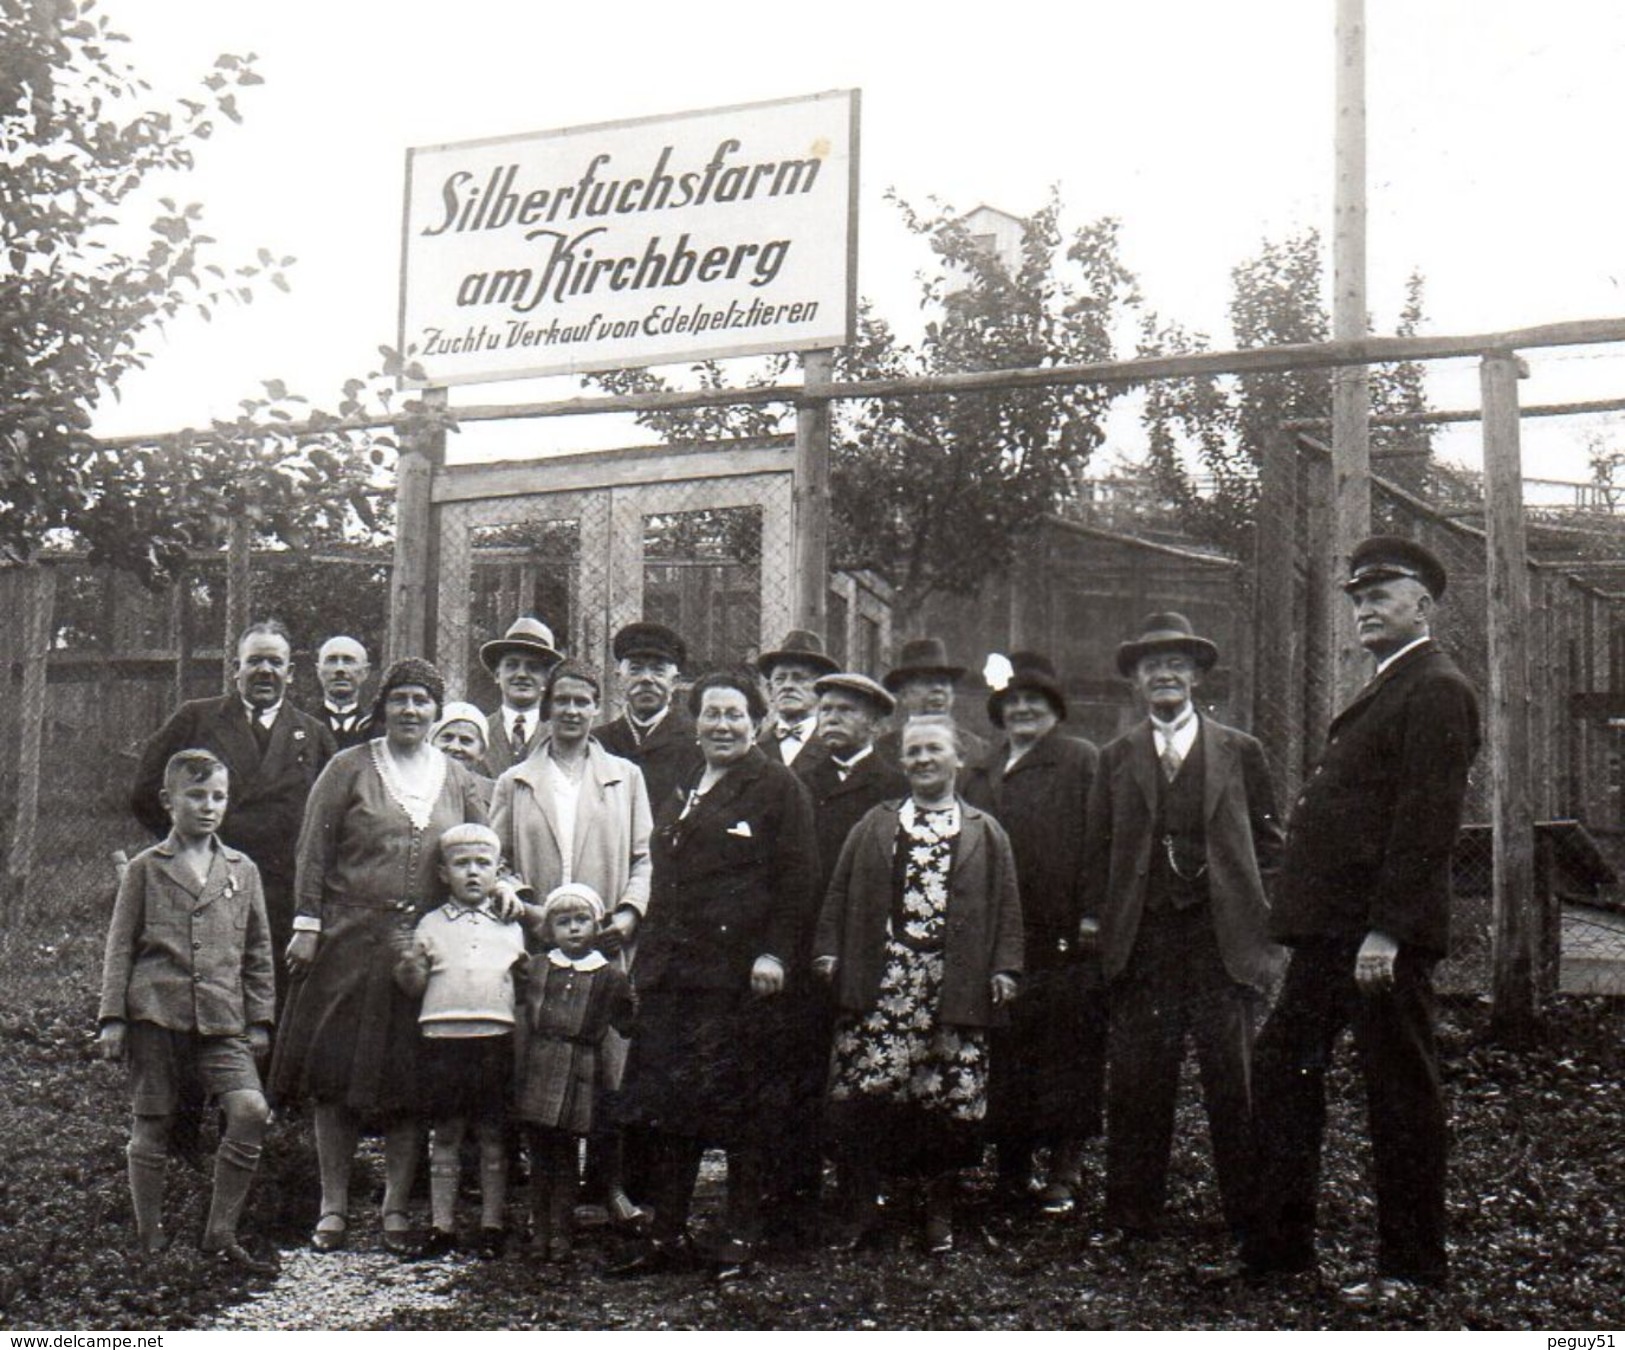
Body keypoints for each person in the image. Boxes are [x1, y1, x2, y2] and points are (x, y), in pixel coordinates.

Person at [1244, 537, 1481, 1309]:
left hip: (1375, 940)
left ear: (1425, 604)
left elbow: (1425, 823)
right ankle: (1277, 1253)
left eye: (1383, 593)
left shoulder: (1435, 688)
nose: (1365, 607)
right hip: (1331, 934)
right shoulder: (1388, 686)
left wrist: (1389, 931)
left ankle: (1411, 1268)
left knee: (1398, 1094)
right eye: (1356, 596)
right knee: (1283, 1071)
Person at [269, 657, 499, 1257]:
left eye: (423, 701)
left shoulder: (457, 778)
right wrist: (307, 922)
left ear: (436, 710)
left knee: (408, 1080)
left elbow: (482, 851)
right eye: (400, 699)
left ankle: (396, 1206)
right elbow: (312, 848)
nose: (410, 711)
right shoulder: (348, 767)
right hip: (348, 942)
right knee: (336, 1079)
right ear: (383, 704)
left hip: (422, 953)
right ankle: (333, 1206)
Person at [1080, 615, 1283, 1254]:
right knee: (1140, 1078)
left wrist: (1268, 923)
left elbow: (1270, 843)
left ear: (1196, 676)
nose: (1163, 674)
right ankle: (1132, 1217)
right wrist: (1097, 919)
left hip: (1221, 938)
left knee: (1234, 1077)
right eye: (1150, 665)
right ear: (1136, 681)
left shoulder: (1240, 750)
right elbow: (1098, 848)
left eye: (1176, 664)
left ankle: (1250, 1217)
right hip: (1145, 939)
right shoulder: (1115, 758)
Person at [611, 669, 819, 1281]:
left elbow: (799, 881)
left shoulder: (777, 787)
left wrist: (775, 954)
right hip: (676, 975)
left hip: (738, 979)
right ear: (694, 720)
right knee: (673, 1107)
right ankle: (666, 1233)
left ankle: (738, 1236)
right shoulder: (685, 783)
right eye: (711, 713)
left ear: (755, 723)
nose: (721, 725)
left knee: (741, 1109)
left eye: (733, 714)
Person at [814, 713, 1023, 1254]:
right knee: (866, 1090)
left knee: (947, 1096)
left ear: (959, 759)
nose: (923, 760)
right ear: (901, 761)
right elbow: (838, 891)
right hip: (883, 978)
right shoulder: (876, 823)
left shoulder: (983, 830)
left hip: (953, 983)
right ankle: (861, 1206)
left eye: (934, 750)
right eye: (913, 752)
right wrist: (829, 949)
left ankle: (938, 1210)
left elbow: (1007, 907)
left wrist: (1004, 967)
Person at [97, 749, 278, 1274]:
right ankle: (148, 1242)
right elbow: (119, 947)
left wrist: (260, 1018)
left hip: (222, 1017)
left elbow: (258, 949)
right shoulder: (146, 869)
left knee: (250, 1110)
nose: (208, 807)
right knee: (152, 1121)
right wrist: (113, 1017)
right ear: (167, 802)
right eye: (195, 796)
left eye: (218, 796)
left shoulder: (242, 870)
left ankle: (220, 1234)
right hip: (156, 1013)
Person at [491, 659, 653, 1222]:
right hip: (541, 948)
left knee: (607, 1066)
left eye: (583, 701)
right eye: (562, 700)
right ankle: (545, 1198)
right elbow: (499, 861)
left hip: (605, 945)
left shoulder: (624, 776)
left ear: (596, 707)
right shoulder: (516, 782)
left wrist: (630, 912)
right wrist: (524, 903)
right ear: (546, 705)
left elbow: (642, 857)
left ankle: (605, 1186)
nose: (572, 711)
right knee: (542, 1065)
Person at [962, 652, 1104, 1218]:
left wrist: (1093, 911)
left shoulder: (1079, 761)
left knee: (1068, 1048)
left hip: (1064, 930)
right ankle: (1012, 1169)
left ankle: (1064, 1169)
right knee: (1009, 1048)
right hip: (1001, 930)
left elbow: (1099, 840)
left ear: (1054, 710)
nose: (1022, 710)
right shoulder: (983, 769)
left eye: (1034, 702)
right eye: (1012, 702)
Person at [768, 670, 907, 1241]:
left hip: (868, 945)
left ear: (874, 723)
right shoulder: (798, 777)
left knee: (862, 1069)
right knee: (799, 1066)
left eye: (845, 712)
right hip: (803, 946)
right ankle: (794, 1196)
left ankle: (859, 1198)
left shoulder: (891, 785)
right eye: (824, 711)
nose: (830, 721)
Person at [131, 620, 337, 1001]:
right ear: (236, 668)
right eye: (254, 661)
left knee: (269, 992)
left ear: (290, 674)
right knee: (206, 987)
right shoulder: (196, 719)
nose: (264, 671)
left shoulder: (313, 733)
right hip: (206, 882)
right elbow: (145, 792)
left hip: (281, 889)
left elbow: (334, 817)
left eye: (275, 662)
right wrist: (190, 850)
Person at [394, 823, 527, 1261]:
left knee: (493, 1133)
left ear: (498, 871)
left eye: (483, 864)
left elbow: (524, 982)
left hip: (495, 1037)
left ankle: (491, 1225)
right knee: (446, 1131)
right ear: (443, 871)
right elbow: (412, 985)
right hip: (442, 1037)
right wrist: (406, 963)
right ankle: (442, 1226)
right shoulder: (429, 924)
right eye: (462, 863)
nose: (473, 873)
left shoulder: (511, 922)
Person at [515, 882, 637, 1263]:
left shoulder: (608, 976)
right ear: (549, 929)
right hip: (539, 1062)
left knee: (567, 1153)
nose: (573, 929)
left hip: (582, 1067)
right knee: (539, 1151)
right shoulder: (537, 967)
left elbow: (628, 1022)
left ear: (596, 925)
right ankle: (540, 1229)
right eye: (563, 921)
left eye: (582, 920)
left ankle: (562, 1234)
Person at [596, 621, 701, 820]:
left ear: (675, 682)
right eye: (636, 670)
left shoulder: (694, 741)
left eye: (658, 670)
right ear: (619, 679)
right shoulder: (599, 743)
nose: (646, 679)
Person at [874, 637, 988, 770]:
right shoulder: (883, 749)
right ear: (905, 695)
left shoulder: (976, 748)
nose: (938, 688)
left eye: (944, 682)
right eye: (927, 682)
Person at [479, 616, 565, 777]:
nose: (521, 674)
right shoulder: (478, 731)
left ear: (547, 678)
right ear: (497, 674)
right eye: (512, 665)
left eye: (533, 667)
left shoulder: (562, 735)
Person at [756, 629, 838, 772]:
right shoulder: (754, 749)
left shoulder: (836, 746)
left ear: (821, 689)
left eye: (798, 678)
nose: (787, 686)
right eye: (780, 679)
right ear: (770, 691)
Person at [432, 701, 495, 810]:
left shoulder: (496, 793)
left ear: (482, 752)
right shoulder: (414, 786)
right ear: (431, 743)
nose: (455, 747)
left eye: (466, 740)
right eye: (447, 737)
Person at [316, 635, 374, 750]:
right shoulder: (304, 728)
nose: (340, 669)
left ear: (365, 672)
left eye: (348, 660)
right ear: (318, 671)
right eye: (331, 660)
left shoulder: (379, 732)